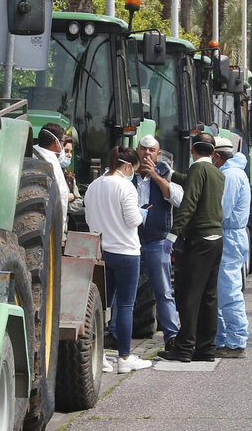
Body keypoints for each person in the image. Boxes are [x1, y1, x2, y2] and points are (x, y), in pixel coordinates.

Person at [84, 146, 153, 373]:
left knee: (101, 307)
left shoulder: (93, 186)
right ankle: (124, 357)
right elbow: (133, 220)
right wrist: (143, 213)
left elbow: (88, 217)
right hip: (125, 251)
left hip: (100, 251)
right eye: (133, 168)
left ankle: (100, 356)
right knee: (125, 305)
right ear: (126, 166)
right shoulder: (126, 186)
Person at [163, 135, 226, 362]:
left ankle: (184, 348)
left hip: (198, 239)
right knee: (209, 296)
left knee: (189, 295)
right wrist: (171, 175)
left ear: (193, 150)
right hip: (216, 239)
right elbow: (193, 181)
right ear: (213, 152)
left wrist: (173, 233)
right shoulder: (217, 173)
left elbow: (189, 202)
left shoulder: (198, 169)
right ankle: (206, 349)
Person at [133, 135, 183, 348]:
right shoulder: (128, 176)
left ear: (158, 153)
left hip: (156, 241)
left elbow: (178, 199)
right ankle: (116, 333)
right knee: (123, 292)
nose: (147, 154)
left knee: (163, 291)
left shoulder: (167, 174)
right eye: (143, 150)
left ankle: (171, 335)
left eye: (151, 150)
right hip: (130, 240)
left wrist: (155, 175)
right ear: (137, 151)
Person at [214, 134, 251, 358]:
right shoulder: (233, 172)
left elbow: (221, 211)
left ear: (216, 156)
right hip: (231, 235)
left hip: (229, 235)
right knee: (222, 290)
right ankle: (223, 338)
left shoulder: (229, 176)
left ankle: (236, 342)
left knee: (229, 291)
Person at [33, 122, 73, 208]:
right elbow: (61, 199)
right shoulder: (52, 164)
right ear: (56, 142)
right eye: (63, 142)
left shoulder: (30, 155)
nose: (63, 146)